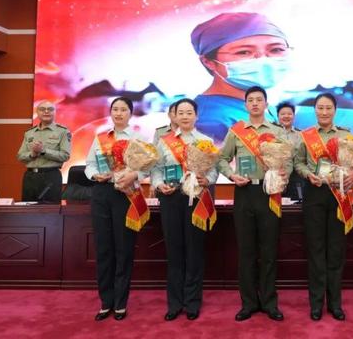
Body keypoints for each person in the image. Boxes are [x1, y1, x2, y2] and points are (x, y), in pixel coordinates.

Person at [217, 86, 290, 322]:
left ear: (266, 104)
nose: (255, 103)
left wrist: (284, 174)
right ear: (246, 105)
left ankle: (269, 303)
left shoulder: (277, 131)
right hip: (244, 192)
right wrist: (232, 175)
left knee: (269, 251)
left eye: (260, 100)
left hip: (270, 193)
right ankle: (248, 303)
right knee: (246, 251)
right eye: (251, 100)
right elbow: (221, 159)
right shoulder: (236, 131)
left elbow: (288, 161)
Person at [151, 99, 218, 321]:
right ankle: (174, 303)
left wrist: (207, 179)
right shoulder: (164, 141)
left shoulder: (206, 141)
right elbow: (156, 169)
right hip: (171, 198)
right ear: (174, 116)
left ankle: (192, 302)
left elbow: (214, 170)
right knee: (174, 251)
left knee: (194, 251)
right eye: (181, 112)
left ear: (196, 116)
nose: (185, 116)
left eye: (189, 112)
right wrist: (158, 184)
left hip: (196, 198)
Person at [294, 93, 353, 321]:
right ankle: (316, 304)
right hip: (315, 194)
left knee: (336, 250)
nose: (324, 112)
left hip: (338, 194)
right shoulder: (305, 136)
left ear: (335, 110)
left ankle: (335, 304)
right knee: (316, 250)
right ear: (315, 110)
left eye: (328, 108)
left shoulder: (346, 135)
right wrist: (307, 174)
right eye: (320, 108)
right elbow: (298, 163)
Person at [84, 97, 146, 321]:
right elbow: (89, 165)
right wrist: (95, 175)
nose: (119, 113)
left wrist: (134, 175)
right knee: (103, 249)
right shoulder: (101, 137)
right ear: (111, 113)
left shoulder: (138, 137)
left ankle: (120, 303)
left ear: (130, 113)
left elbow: (148, 167)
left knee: (124, 248)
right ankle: (105, 302)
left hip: (126, 195)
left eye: (123, 110)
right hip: (102, 193)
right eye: (115, 109)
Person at [192, 12, 290, 141]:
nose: (263, 60)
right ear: (208, 62)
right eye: (243, 52)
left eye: (276, 50)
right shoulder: (209, 122)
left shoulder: (262, 107)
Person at [16, 101, 71, 202]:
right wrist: (32, 154)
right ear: (37, 112)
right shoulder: (29, 133)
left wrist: (43, 151)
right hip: (30, 177)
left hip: (51, 177)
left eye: (50, 109)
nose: (46, 111)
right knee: (28, 209)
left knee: (50, 210)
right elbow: (20, 156)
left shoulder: (62, 131)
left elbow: (65, 156)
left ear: (55, 112)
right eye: (42, 109)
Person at [277, 101, 303, 201]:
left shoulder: (301, 135)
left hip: (296, 178)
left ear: (294, 116)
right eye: (283, 114)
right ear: (278, 116)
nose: (286, 116)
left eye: (289, 114)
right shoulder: (272, 133)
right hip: (276, 176)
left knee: (295, 206)